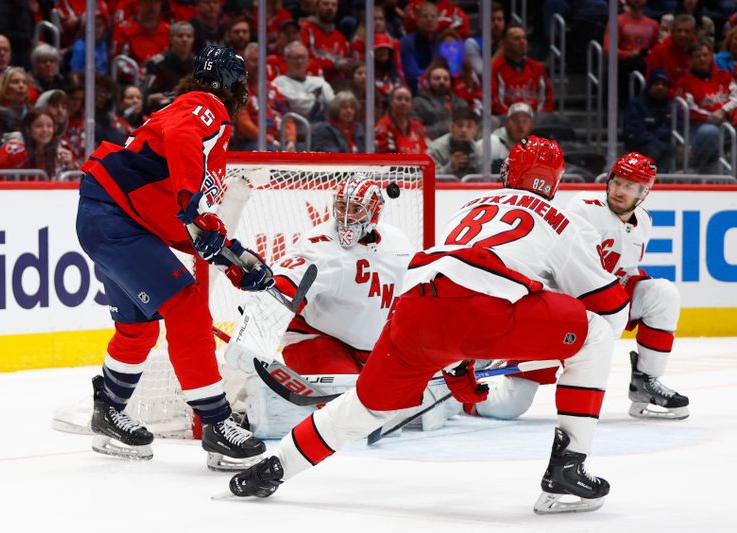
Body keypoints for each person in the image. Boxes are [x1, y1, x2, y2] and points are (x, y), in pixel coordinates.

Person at [228, 136, 631, 516]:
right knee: (595, 334)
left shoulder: (472, 204)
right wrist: (569, 354)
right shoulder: (559, 218)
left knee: (363, 409)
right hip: (481, 314)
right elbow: (610, 307)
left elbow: (449, 292)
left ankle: (274, 468)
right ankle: (567, 470)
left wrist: (459, 364)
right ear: (553, 182)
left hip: (415, 312)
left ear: (509, 172)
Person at [75, 45, 274, 470]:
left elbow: (181, 225)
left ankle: (108, 409)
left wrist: (234, 262)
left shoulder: (184, 113)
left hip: (112, 216)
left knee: (137, 328)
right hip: (116, 220)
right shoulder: (205, 106)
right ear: (228, 85)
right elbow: (186, 154)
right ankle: (217, 424)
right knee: (186, 305)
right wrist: (196, 207)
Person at [474, 153, 690, 422]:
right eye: (617, 182)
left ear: (644, 193)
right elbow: (573, 274)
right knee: (508, 407)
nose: (620, 191)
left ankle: (645, 382)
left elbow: (627, 272)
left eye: (630, 187)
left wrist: (614, 310)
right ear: (608, 180)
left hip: (603, 307)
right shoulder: (585, 207)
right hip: (560, 309)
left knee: (662, 294)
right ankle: (465, 395)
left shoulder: (644, 222)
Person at [225, 175, 414, 377]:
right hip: (315, 336)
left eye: (356, 210)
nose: (346, 218)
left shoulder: (398, 243)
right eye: (341, 207)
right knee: (341, 403)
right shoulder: (321, 244)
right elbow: (286, 283)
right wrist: (256, 331)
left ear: (374, 211)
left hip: (371, 349)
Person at [677, 42, 737, 174]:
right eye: (698, 56)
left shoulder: (724, 76)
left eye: (705, 55)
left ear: (711, 56)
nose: (702, 59)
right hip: (700, 127)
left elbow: (735, 98)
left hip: (727, 122)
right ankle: (696, 169)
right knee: (709, 132)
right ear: (691, 60)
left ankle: (728, 174)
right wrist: (712, 117)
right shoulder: (685, 82)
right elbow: (690, 108)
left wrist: (723, 111)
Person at [0, 107, 76, 179]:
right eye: (39, 126)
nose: (45, 130)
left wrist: (71, 166)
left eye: (49, 126)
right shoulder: (12, 150)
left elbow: (78, 184)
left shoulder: (61, 150)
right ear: (28, 129)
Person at [491, 24, 554, 116]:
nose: (522, 42)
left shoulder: (538, 68)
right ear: (504, 43)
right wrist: (514, 120)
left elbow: (547, 100)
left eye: (524, 38)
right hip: (505, 121)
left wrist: (537, 118)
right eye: (516, 39)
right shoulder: (495, 68)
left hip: (536, 121)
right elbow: (494, 102)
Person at [624, 69, 674, 173]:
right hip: (641, 145)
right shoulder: (636, 104)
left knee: (675, 150)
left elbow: (675, 129)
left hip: (664, 145)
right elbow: (635, 131)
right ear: (649, 85)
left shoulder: (671, 107)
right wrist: (659, 143)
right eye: (656, 83)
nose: (660, 87)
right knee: (654, 150)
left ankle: (666, 181)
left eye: (663, 84)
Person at [270, 41, 335, 122]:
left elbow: (334, 107)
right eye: (296, 58)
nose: (300, 61)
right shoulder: (278, 83)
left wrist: (309, 98)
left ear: (308, 60)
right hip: (296, 129)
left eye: (303, 57)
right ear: (286, 59)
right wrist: (319, 100)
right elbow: (301, 106)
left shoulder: (319, 81)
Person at [299, 0, 352, 82]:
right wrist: (333, 65)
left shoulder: (340, 37)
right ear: (316, 6)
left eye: (334, 5)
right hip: (310, 81)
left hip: (336, 85)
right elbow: (303, 57)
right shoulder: (304, 29)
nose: (330, 7)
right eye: (325, 4)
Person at [411, 63, 468, 140]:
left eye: (446, 79)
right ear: (428, 81)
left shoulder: (460, 102)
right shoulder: (418, 102)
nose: (442, 81)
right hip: (431, 143)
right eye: (437, 78)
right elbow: (416, 131)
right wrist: (445, 127)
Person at [426, 107, 481, 177]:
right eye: (460, 125)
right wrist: (451, 167)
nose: (464, 130)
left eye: (469, 126)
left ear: (476, 130)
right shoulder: (436, 149)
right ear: (451, 127)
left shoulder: (477, 150)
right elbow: (427, 176)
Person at [374, 85, 429, 154]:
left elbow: (426, 153)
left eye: (407, 100)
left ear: (411, 104)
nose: (403, 102)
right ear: (391, 102)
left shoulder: (418, 127)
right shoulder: (382, 127)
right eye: (399, 99)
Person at [645, 14, 695, 88]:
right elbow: (652, 83)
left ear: (693, 33)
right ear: (672, 32)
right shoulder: (659, 51)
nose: (682, 34)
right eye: (679, 31)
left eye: (686, 31)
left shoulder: (699, 51)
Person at [483, 102, 535, 171]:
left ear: (531, 125)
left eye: (524, 121)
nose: (520, 125)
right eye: (515, 120)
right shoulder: (492, 143)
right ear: (507, 123)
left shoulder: (533, 146)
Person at [400, 1, 439, 91]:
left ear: (437, 21)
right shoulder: (407, 42)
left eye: (433, 16)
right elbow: (413, 76)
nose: (429, 19)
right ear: (417, 21)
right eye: (425, 16)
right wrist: (434, 66)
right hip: (417, 92)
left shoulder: (443, 41)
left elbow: (453, 72)